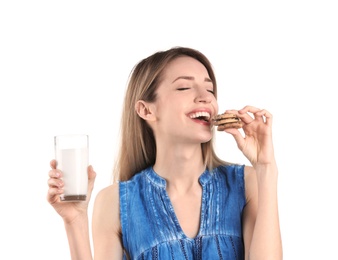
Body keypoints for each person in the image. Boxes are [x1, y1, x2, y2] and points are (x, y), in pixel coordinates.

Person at [47, 46, 283, 259]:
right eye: (184, 87)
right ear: (146, 110)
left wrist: (266, 169)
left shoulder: (248, 183)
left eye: (210, 89)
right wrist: (75, 221)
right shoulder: (114, 203)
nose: (206, 97)